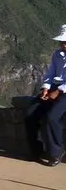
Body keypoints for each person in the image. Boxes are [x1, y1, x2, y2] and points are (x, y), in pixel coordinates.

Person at [25, 24, 66, 167]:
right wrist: (46, 89)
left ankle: (56, 151)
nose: (63, 45)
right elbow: (51, 74)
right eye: (62, 42)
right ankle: (36, 150)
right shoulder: (57, 54)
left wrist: (59, 91)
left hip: (64, 91)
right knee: (31, 114)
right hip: (54, 88)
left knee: (52, 117)